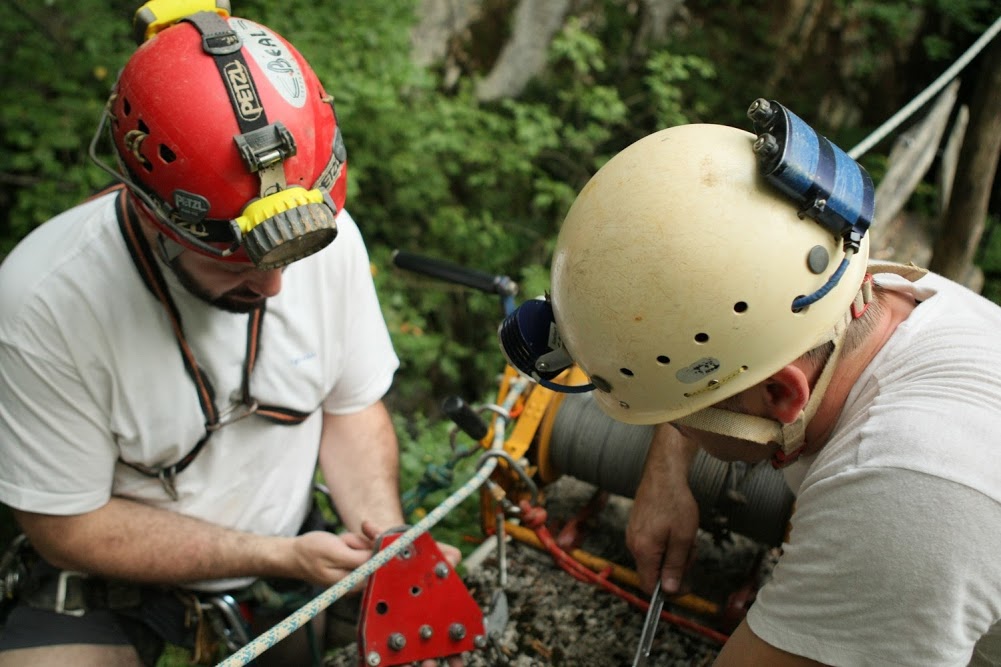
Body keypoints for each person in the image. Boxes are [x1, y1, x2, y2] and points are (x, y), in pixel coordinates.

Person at [0, 3, 460, 666]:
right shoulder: (46, 301)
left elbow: (350, 408)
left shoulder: (324, 238)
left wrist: (385, 543)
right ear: (151, 213)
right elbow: (66, 525)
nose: (274, 287)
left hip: (293, 563)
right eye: (234, 263)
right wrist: (276, 553)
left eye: (286, 262)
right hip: (118, 586)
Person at [518, 109, 1001, 665]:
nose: (678, 434)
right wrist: (667, 469)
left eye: (679, 420)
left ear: (779, 397)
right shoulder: (871, 292)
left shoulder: (907, 497)